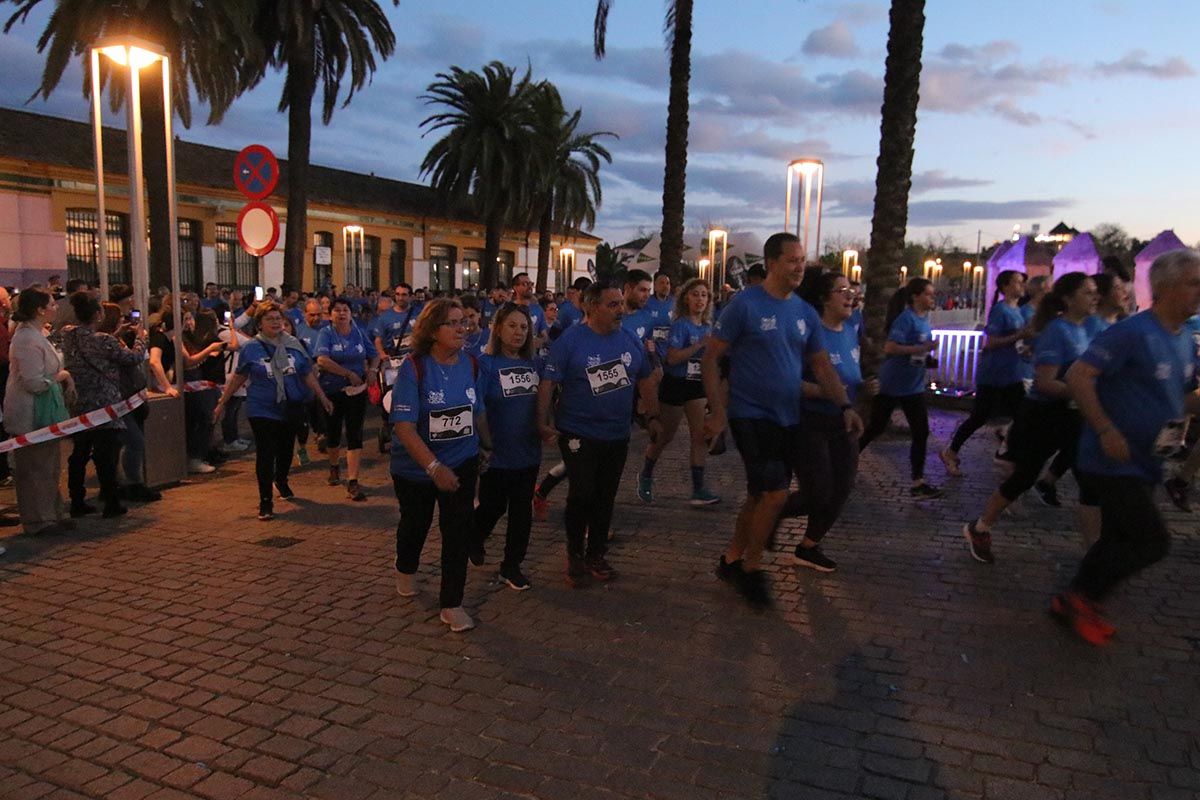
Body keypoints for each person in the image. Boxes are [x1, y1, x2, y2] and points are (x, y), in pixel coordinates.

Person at [701, 235, 863, 608]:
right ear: (771, 262)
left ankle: (730, 559)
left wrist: (844, 406)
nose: (799, 267)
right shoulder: (744, 305)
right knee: (775, 494)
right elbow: (711, 359)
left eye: (803, 260)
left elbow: (821, 365)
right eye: (791, 260)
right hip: (750, 414)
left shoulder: (804, 313)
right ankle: (752, 569)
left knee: (759, 495)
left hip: (789, 417)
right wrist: (718, 411)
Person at [1051, 249, 1200, 645]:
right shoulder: (1132, 332)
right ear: (1167, 287)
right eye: (1194, 283)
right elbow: (1080, 376)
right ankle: (1080, 597)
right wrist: (1104, 430)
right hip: (1112, 460)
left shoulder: (1185, 339)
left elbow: (1178, 398)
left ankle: (1076, 600)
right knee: (1152, 541)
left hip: (1147, 459)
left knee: (1118, 539)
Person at [961, 272, 1098, 563]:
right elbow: (1045, 381)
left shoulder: (1085, 329)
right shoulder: (1057, 330)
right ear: (1067, 299)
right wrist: (1084, 390)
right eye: (1087, 292)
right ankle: (981, 526)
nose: (1094, 297)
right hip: (1045, 414)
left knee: (1089, 478)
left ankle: (1096, 552)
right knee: (1024, 476)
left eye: (1095, 291)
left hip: (1072, 414)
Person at [537, 282, 660, 586]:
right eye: (613, 304)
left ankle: (596, 554)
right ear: (592, 307)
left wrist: (652, 416)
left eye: (620, 304)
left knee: (605, 496)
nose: (620, 310)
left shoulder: (629, 339)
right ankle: (575, 554)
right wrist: (542, 422)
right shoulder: (570, 341)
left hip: (617, 433)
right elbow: (548, 383)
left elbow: (645, 378)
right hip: (578, 431)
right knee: (582, 492)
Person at [390, 298, 488, 632]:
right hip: (416, 469)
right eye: (453, 323)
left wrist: (489, 444)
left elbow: (477, 411)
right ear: (433, 331)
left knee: (458, 531)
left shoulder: (471, 364)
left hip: (462, 460)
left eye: (464, 322)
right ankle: (405, 566)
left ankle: (452, 603)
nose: (463, 329)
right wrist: (433, 468)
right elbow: (403, 427)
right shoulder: (413, 367)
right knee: (415, 525)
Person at [787, 270, 871, 572]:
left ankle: (808, 546)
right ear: (823, 298)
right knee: (817, 491)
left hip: (844, 418)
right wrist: (825, 391)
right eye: (842, 290)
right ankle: (768, 513)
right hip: (808, 419)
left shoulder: (851, 327)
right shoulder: (807, 332)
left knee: (842, 487)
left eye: (851, 289)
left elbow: (851, 369)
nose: (850, 295)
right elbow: (788, 378)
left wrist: (863, 386)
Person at [214, 305, 331, 521]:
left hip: (289, 406)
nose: (276, 322)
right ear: (260, 324)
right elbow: (239, 376)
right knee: (266, 452)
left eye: (278, 318)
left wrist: (321, 396)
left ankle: (282, 479)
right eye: (270, 319)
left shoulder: (295, 345)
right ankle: (265, 501)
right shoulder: (251, 348)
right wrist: (222, 402)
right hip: (261, 407)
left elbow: (306, 373)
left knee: (285, 449)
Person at [470, 303, 541, 590]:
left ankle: (511, 566)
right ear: (498, 329)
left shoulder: (533, 364)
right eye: (512, 325)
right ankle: (473, 536)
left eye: (524, 327)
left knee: (522, 512)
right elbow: (478, 407)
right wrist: (485, 444)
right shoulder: (485, 365)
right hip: (496, 454)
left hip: (528, 452)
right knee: (492, 506)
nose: (519, 332)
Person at [61, 291, 148, 518]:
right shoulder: (104, 341)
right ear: (98, 314)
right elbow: (133, 358)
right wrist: (141, 338)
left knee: (79, 452)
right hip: (105, 405)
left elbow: (92, 348)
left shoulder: (68, 335)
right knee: (105, 455)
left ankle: (77, 500)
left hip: (80, 403)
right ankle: (111, 502)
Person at [637, 277, 719, 506]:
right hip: (675, 383)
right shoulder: (681, 325)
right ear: (685, 298)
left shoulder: (708, 327)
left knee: (699, 436)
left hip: (697, 384)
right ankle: (646, 475)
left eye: (704, 295)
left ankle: (698, 489)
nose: (700, 299)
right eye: (695, 294)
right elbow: (672, 358)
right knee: (665, 435)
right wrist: (698, 346)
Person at [857, 278, 943, 499]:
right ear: (916, 296)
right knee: (875, 427)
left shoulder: (925, 319)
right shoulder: (906, 319)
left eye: (933, 294)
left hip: (912, 386)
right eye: (929, 294)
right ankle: (847, 460)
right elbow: (891, 347)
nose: (933, 298)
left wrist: (926, 356)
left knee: (921, 432)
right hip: (893, 384)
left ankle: (918, 482)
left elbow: (916, 350)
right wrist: (923, 347)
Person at [941, 270, 1031, 476]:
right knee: (979, 417)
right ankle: (952, 451)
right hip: (994, 375)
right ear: (1006, 286)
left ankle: (1010, 453)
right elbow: (989, 342)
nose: (1022, 286)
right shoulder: (1001, 310)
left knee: (1022, 415)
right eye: (1018, 282)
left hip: (1012, 373)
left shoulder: (1017, 310)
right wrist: (1020, 335)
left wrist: (1024, 347)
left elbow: (1014, 341)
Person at [4, 288, 74, 535]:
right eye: (52, 304)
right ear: (39, 309)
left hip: (46, 411)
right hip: (31, 413)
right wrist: (60, 376)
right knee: (34, 468)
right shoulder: (25, 339)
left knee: (50, 465)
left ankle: (53, 512)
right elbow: (33, 382)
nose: (56, 308)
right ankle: (38, 520)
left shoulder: (38, 334)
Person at [315, 297, 376, 501]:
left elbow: (373, 354)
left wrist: (373, 368)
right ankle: (334, 466)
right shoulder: (326, 333)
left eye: (345, 310)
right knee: (333, 432)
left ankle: (353, 480)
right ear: (330, 314)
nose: (341, 314)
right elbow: (322, 360)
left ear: (351, 314)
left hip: (357, 392)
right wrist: (347, 373)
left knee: (354, 433)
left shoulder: (358, 332)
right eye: (337, 310)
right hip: (332, 390)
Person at [181, 309, 226, 474]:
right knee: (200, 421)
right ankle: (194, 457)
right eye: (185, 319)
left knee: (206, 420)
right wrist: (210, 349)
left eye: (190, 318)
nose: (189, 322)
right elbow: (188, 361)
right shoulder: (179, 339)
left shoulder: (194, 338)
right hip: (190, 385)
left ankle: (201, 454)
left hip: (200, 384)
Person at [510, 273, 548, 351]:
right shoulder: (508, 309)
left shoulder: (538, 309)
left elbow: (544, 335)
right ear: (515, 287)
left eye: (531, 284)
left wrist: (540, 341)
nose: (530, 287)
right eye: (525, 284)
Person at [646, 271, 674, 347]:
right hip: (651, 350)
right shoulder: (647, 303)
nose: (665, 286)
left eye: (668, 283)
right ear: (655, 286)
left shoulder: (674, 303)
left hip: (669, 349)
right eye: (662, 283)